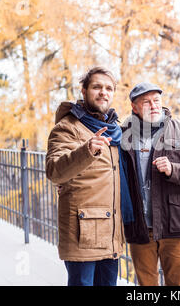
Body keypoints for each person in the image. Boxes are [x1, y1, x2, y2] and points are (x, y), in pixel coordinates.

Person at [45, 66, 133, 286]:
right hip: (83, 231)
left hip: (111, 229)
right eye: (97, 87)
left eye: (108, 88)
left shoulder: (114, 130)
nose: (103, 92)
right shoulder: (67, 128)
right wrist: (86, 151)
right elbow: (55, 171)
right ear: (83, 91)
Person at [120, 82, 180, 286]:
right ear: (134, 107)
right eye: (146, 102)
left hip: (174, 225)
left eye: (157, 101)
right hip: (139, 227)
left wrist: (173, 170)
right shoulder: (123, 133)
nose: (153, 106)